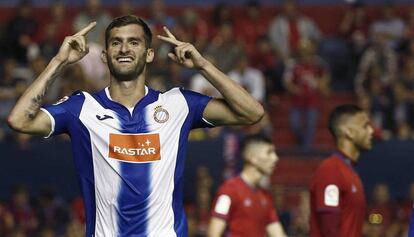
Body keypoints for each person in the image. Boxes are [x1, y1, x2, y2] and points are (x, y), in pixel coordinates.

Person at [7, 15, 264, 236]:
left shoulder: (178, 104)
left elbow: (251, 113)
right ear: (105, 56)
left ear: (149, 54)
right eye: (116, 42)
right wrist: (58, 62)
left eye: (134, 42)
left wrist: (203, 65)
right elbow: (19, 120)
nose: (124, 48)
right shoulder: (82, 107)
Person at [309, 104, 374, 237]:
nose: (371, 131)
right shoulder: (330, 171)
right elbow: (329, 228)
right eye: (365, 126)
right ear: (348, 132)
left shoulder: (350, 172)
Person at [207, 135, 287, 237]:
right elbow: (213, 234)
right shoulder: (229, 191)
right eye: (269, 152)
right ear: (252, 158)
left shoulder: (265, 196)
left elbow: (278, 234)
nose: (275, 158)